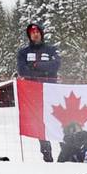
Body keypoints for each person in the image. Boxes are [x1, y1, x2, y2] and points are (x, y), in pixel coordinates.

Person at [16, 21, 61, 162]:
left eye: (37, 32)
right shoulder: (23, 52)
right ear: (29, 35)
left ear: (41, 33)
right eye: (32, 33)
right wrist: (42, 70)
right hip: (33, 93)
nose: (35, 34)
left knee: (57, 120)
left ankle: (66, 150)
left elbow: (56, 65)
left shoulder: (51, 50)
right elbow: (22, 70)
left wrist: (36, 66)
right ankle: (47, 154)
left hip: (51, 90)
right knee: (39, 122)